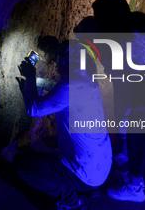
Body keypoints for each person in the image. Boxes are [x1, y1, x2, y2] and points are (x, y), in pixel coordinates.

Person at [74, 0, 145, 202]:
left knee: (139, 139)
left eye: (98, 15)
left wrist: (126, 110)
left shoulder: (128, 38)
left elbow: (143, 84)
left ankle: (135, 188)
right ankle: (130, 168)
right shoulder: (139, 22)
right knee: (139, 135)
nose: (96, 18)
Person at [14, 40, 112, 209]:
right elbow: (59, 91)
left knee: (21, 165)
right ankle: (86, 189)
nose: (55, 64)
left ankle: (70, 200)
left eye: (57, 59)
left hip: (85, 173)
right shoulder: (89, 82)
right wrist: (37, 82)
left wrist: (29, 75)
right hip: (102, 167)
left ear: (64, 61)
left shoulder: (70, 86)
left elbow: (33, 108)